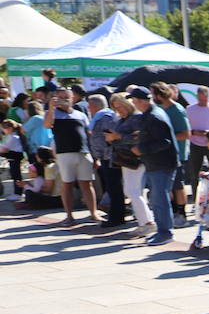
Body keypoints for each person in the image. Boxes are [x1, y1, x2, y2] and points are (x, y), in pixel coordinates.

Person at [127, 86, 178, 245]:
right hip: (156, 163)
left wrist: (141, 148)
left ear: (141, 101)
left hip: (162, 164)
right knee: (157, 198)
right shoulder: (151, 114)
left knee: (159, 199)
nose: (134, 104)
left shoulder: (154, 116)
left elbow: (164, 142)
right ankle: (162, 231)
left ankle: (165, 233)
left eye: (134, 101)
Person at [45, 86, 98, 225]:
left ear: (72, 98)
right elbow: (47, 125)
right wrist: (51, 108)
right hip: (64, 153)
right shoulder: (53, 113)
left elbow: (89, 134)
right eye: (61, 97)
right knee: (67, 184)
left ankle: (93, 213)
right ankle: (69, 215)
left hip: (83, 152)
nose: (64, 100)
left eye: (67, 97)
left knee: (87, 184)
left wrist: (95, 156)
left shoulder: (80, 114)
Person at [106, 93, 154, 232]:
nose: (119, 110)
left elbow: (139, 138)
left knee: (133, 191)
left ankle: (147, 222)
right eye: (116, 107)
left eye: (121, 106)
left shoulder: (136, 118)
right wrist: (113, 138)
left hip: (135, 159)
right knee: (133, 191)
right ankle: (144, 221)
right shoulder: (123, 119)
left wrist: (118, 136)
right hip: (126, 159)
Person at [152, 82, 192, 227]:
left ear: (159, 94)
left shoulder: (177, 109)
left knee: (178, 186)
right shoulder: (160, 109)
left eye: (153, 94)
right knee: (168, 187)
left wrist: (167, 137)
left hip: (178, 155)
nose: (151, 97)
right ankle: (173, 212)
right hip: (165, 154)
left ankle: (182, 215)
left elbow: (186, 134)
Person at [86, 94, 124, 227]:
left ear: (94, 106)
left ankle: (117, 217)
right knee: (112, 187)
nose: (88, 108)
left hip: (110, 157)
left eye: (89, 105)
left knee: (114, 188)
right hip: (106, 157)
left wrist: (101, 153)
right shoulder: (101, 117)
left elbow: (108, 136)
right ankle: (116, 215)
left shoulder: (105, 117)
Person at [185, 86, 209, 203]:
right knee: (194, 174)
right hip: (195, 144)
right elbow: (185, 128)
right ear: (197, 97)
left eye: (205, 99)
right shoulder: (189, 110)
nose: (203, 101)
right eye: (201, 99)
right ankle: (196, 199)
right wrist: (195, 132)